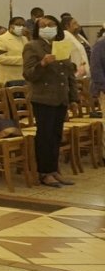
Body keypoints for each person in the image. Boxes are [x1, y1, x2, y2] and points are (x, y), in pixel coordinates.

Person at [24, 16, 78, 188]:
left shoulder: (61, 45)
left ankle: (54, 169)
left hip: (60, 97)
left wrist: (73, 98)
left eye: (51, 25)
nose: (47, 28)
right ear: (37, 29)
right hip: (43, 97)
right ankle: (44, 172)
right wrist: (42, 63)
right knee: (45, 136)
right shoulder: (32, 46)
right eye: (43, 25)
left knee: (56, 135)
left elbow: (69, 74)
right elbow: (28, 74)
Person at [0, 17, 28, 85]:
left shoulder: (24, 39)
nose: (21, 27)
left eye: (23, 25)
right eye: (18, 25)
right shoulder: (1, 39)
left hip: (23, 79)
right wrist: (22, 60)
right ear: (11, 25)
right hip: (8, 80)